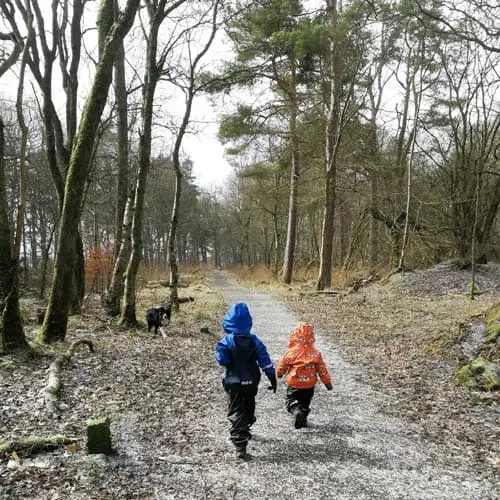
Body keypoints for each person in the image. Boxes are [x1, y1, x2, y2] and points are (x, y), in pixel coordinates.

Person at [216, 302, 277, 460]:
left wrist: (228, 359)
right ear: (248, 322)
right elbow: (265, 360)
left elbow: (222, 360)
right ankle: (247, 423)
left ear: (228, 322)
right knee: (249, 406)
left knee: (236, 411)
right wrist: (272, 378)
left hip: (233, 382)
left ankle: (240, 444)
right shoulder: (254, 340)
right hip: (251, 381)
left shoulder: (227, 341)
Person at [277, 322, 332, 429]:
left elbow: (283, 364)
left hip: (295, 383)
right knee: (305, 403)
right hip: (309, 384)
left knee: (291, 402)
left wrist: (280, 373)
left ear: (294, 335)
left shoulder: (291, 352)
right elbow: (322, 369)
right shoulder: (315, 353)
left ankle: (296, 412)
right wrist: (327, 382)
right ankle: (303, 420)